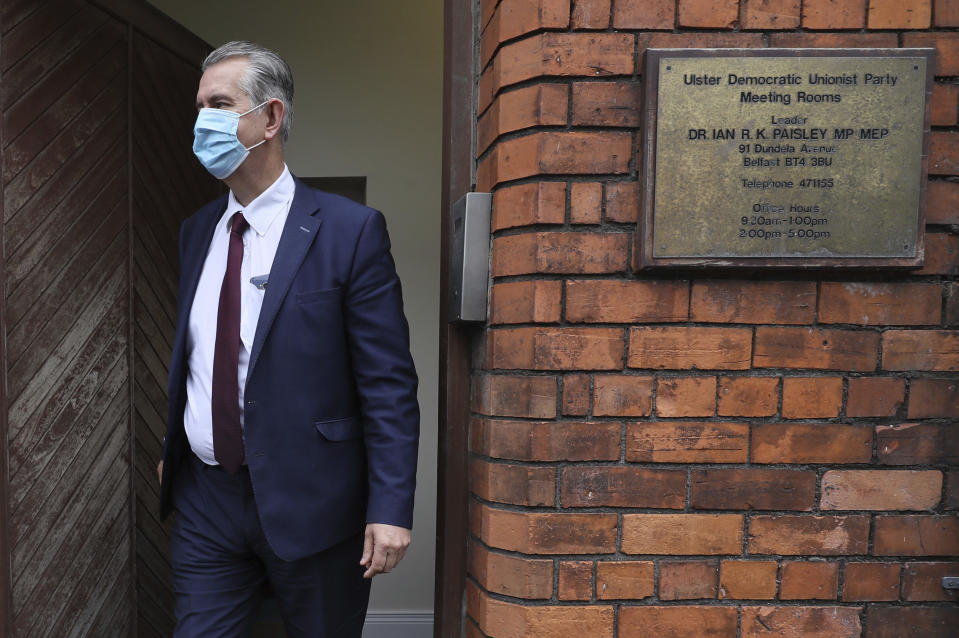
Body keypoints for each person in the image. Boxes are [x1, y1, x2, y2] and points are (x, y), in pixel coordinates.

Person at [156, 40, 419, 637]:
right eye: (199, 107)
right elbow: (199, 352)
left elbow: (388, 383)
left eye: (219, 105)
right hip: (206, 499)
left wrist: (389, 507)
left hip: (316, 501)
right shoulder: (197, 231)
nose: (202, 122)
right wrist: (181, 437)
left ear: (270, 119)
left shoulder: (350, 231)